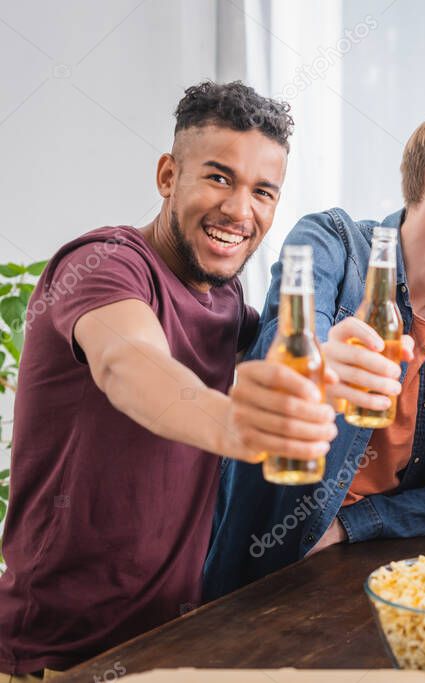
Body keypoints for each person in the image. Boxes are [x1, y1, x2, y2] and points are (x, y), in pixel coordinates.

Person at [0, 81, 336, 678]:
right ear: (166, 176)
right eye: (218, 177)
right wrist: (233, 424)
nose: (239, 210)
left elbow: (285, 363)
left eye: (263, 191)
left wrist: (341, 368)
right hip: (55, 662)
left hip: (168, 650)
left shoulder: (228, 301)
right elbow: (129, 365)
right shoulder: (104, 265)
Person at [203, 107, 425, 598]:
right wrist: (326, 360)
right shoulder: (332, 244)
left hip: (382, 570)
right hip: (262, 553)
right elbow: (288, 353)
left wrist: (352, 525)